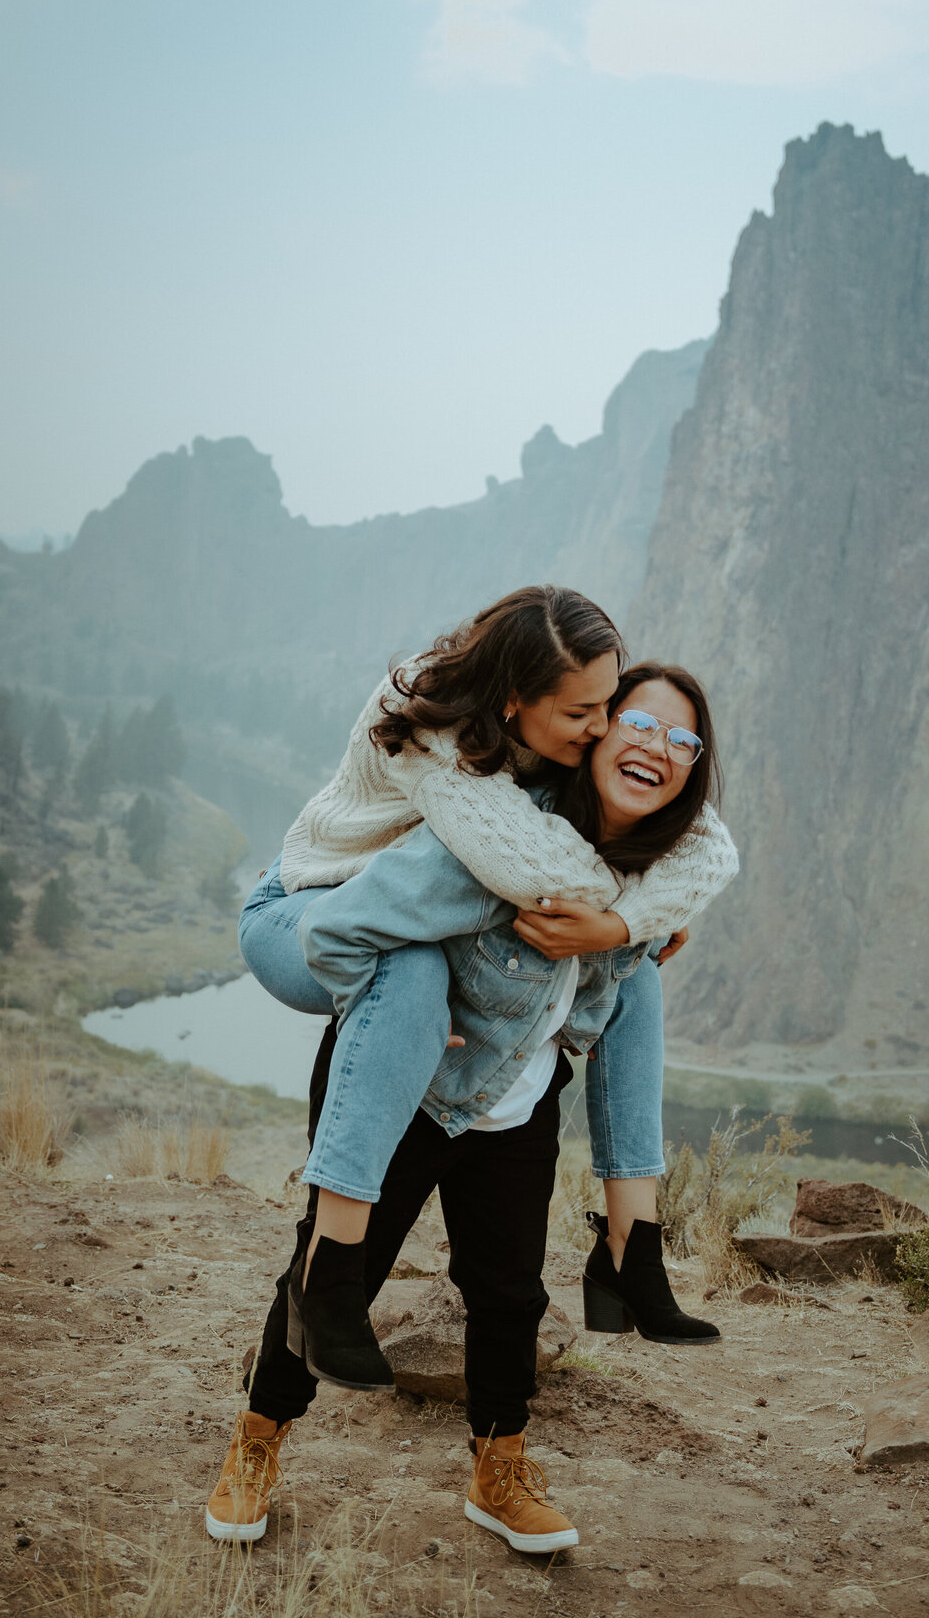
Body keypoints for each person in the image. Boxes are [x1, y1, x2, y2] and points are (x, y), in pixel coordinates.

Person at [206, 663, 736, 1553]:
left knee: (508, 1295)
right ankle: (256, 1444)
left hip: (516, 1105)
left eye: (684, 742)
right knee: (335, 1272)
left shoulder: (648, 883)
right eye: (639, 725)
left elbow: (668, 912)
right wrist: (400, 1010)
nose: (659, 749)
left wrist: (632, 929)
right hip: (403, 1093)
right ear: (594, 733)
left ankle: (500, 1470)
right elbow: (343, 929)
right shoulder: (492, 847)